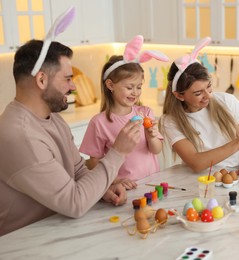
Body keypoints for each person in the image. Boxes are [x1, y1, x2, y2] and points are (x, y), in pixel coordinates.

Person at [0, 10, 142, 235]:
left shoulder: (52, 118)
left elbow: (77, 169)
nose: (74, 86)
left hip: (57, 229)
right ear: (42, 79)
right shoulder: (20, 135)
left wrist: (103, 188)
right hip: (25, 242)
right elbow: (74, 203)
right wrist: (118, 152)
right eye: (67, 78)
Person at [158, 37, 239, 177]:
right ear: (179, 95)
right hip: (201, 183)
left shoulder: (227, 101)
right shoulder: (170, 121)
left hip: (236, 178)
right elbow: (196, 163)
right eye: (198, 93)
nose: (208, 96)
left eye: (209, 87)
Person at [79, 35, 169, 189]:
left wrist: (152, 135)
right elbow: (94, 163)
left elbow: (156, 150)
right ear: (110, 85)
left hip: (152, 184)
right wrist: (115, 182)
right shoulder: (99, 122)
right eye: (129, 87)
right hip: (124, 189)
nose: (135, 92)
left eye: (139, 87)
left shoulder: (145, 112)